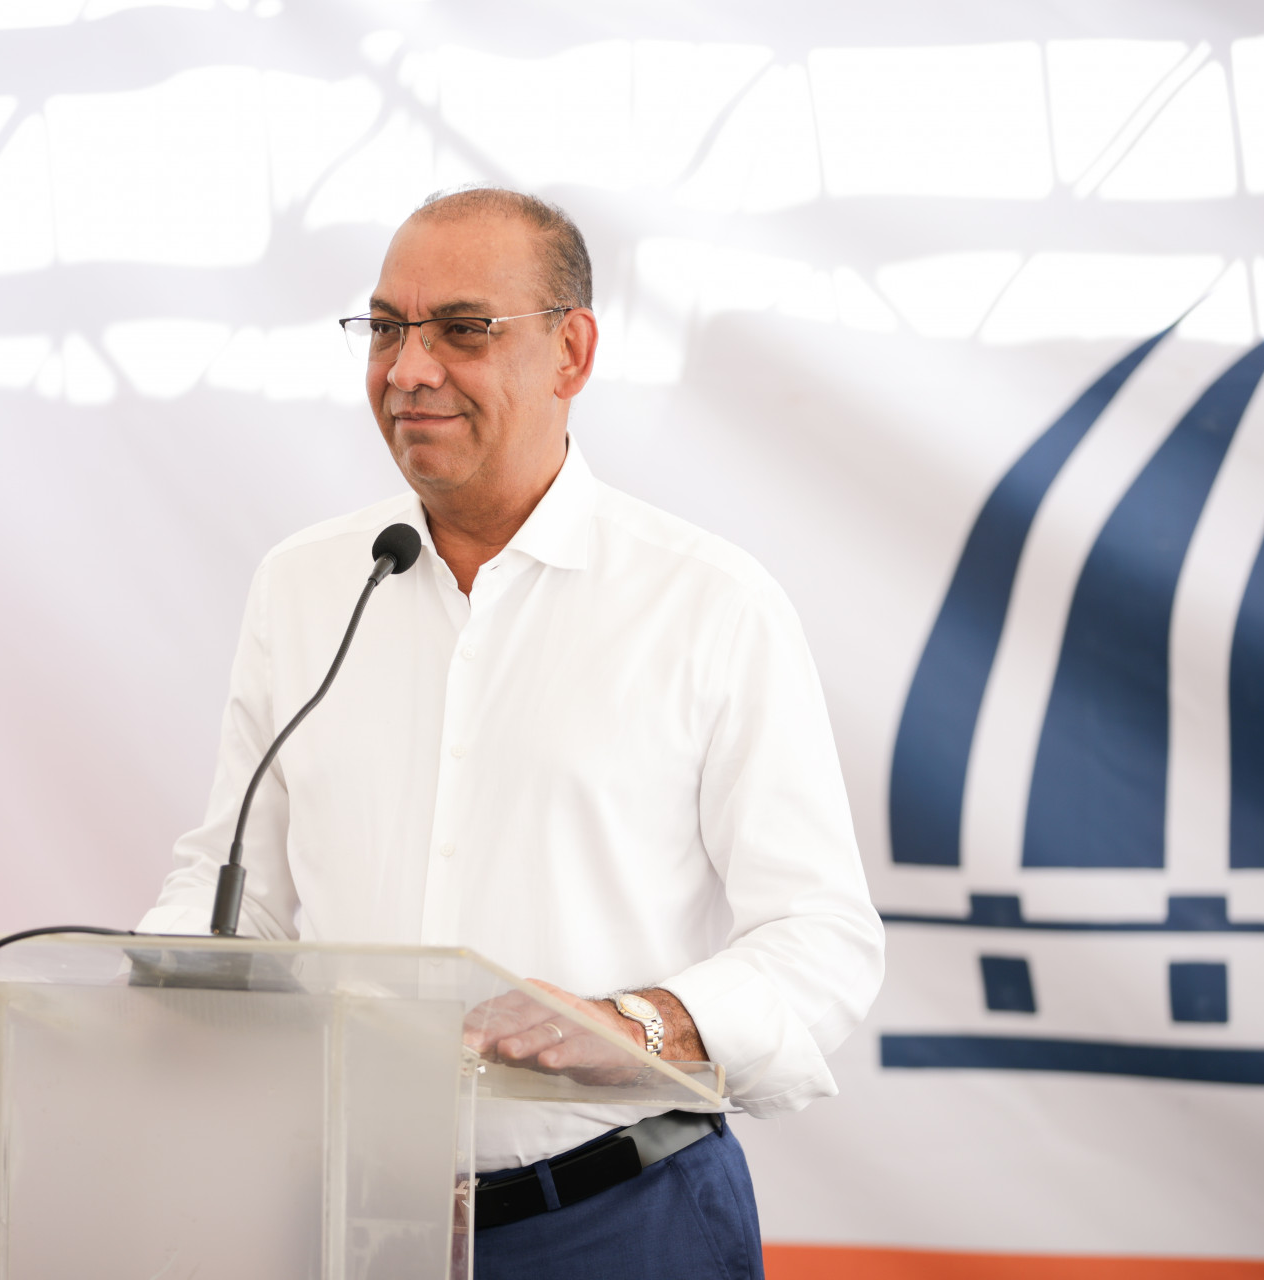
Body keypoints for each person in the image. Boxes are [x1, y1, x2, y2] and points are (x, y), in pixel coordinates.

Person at [137, 187, 884, 1279]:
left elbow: (823, 939)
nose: (408, 370)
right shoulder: (306, 585)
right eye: (385, 328)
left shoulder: (708, 602)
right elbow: (235, 891)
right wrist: (144, 979)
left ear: (570, 352)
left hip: (622, 1219)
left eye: (461, 329)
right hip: (348, 1223)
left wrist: (641, 1024)